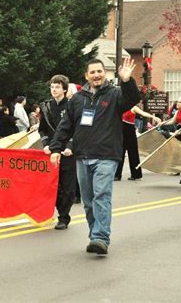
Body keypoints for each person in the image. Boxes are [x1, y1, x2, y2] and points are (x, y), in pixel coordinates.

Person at [49, 57, 139, 255]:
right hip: (82, 156)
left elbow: (133, 99)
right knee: (88, 200)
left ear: (104, 73)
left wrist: (126, 80)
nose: (97, 75)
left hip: (107, 154)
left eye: (100, 71)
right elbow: (66, 126)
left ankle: (101, 237)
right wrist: (56, 148)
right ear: (86, 76)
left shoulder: (115, 95)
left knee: (101, 195)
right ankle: (95, 235)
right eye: (93, 72)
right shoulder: (77, 100)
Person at [39, 74, 76, 230]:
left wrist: (70, 146)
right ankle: (58, 210)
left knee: (67, 186)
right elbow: (42, 130)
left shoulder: (72, 105)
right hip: (52, 151)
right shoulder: (46, 107)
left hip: (67, 151)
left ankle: (64, 217)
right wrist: (46, 144)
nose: (54, 89)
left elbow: (76, 129)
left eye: (58, 87)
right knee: (53, 185)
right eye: (52, 87)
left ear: (64, 89)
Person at [114, 103, 161, 181]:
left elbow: (143, 113)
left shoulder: (134, 108)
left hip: (130, 132)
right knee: (120, 153)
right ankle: (117, 175)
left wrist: (153, 117)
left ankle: (136, 175)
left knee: (133, 153)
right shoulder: (120, 106)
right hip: (121, 131)